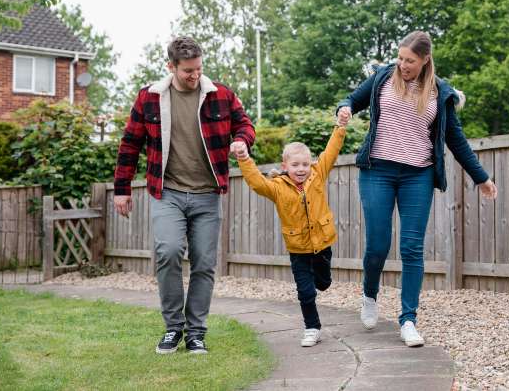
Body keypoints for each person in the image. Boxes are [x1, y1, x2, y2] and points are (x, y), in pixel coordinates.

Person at [336, 31, 497, 347]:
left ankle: (408, 320)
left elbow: (456, 140)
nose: (403, 64)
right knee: (378, 245)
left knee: (411, 248)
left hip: (417, 176)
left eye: (409, 60)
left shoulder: (440, 93)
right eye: (400, 58)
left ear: (425, 61)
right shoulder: (384, 77)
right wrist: (343, 109)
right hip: (377, 171)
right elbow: (352, 100)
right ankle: (369, 295)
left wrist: (481, 177)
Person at [113, 36, 255, 355]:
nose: (195, 76)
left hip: (207, 194)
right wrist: (121, 189)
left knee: (204, 263)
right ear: (171, 67)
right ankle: (173, 327)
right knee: (168, 251)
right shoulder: (149, 98)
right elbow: (129, 146)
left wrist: (243, 141)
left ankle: (196, 333)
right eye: (188, 71)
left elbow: (245, 125)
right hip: (168, 193)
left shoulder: (220, 95)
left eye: (199, 69)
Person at [231, 113, 349, 347]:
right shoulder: (277, 188)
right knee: (306, 292)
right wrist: (244, 159)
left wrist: (341, 126)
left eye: (305, 164)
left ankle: (320, 282)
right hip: (299, 249)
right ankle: (312, 327)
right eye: (295, 165)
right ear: (285, 167)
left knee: (323, 283)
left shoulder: (318, 174)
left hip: (323, 244)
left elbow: (331, 151)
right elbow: (256, 182)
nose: (302, 169)